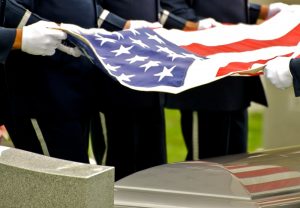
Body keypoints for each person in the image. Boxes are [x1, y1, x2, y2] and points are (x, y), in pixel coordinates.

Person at [158, 0, 287, 160]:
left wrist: (262, 11)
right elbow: (172, 6)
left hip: (235, 79)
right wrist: (198, 25)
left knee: (237, 162)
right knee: (205, 167)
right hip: (205, 83)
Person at [89, 1, 196, 180]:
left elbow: (152, 10)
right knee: (117, 168)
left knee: (153, 167)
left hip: (149, 77)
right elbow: (87, 9)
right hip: (114, 79)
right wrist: (125, 25)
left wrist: (185, 26)